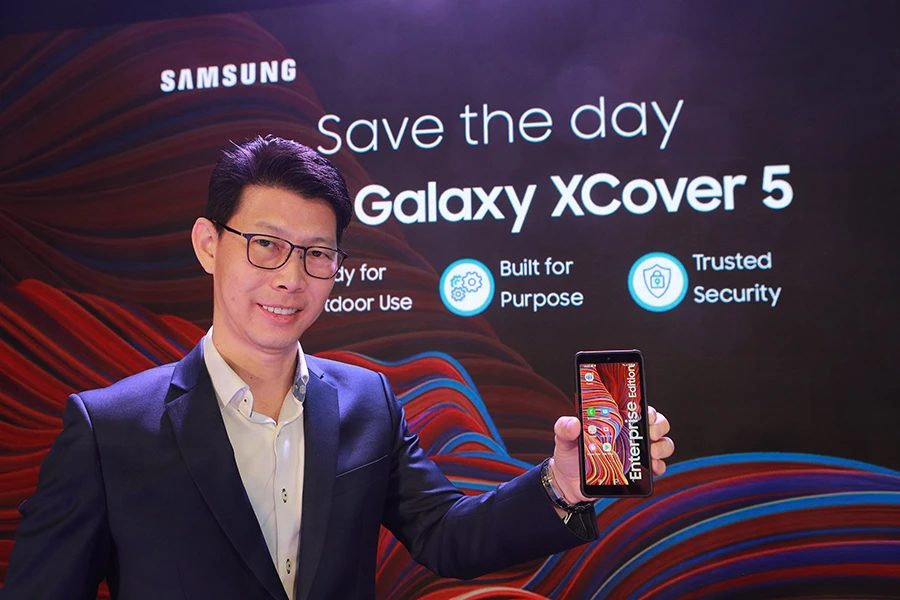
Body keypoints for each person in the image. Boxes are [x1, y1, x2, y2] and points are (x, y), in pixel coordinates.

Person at [2, 136, 674, 600]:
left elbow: (447, 536)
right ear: (209, 245)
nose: (291, 278)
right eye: (265, 244)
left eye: (317, 254)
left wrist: (563, 485)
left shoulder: (367, 401)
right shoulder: (108, 428)